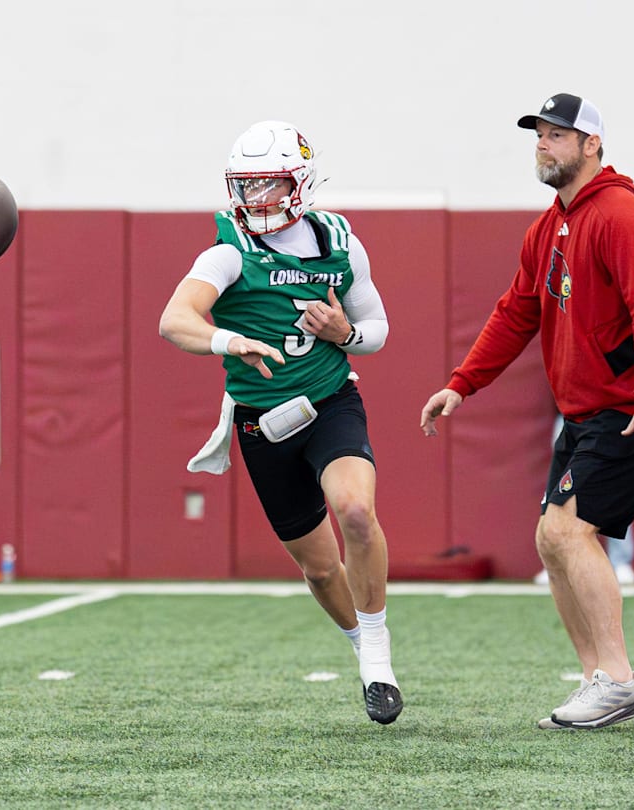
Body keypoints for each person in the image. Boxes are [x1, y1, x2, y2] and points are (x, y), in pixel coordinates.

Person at [419, 93, 634, 731]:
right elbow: (518, 311)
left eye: (558, 135)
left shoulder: (620, 215)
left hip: (631, 408)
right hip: (587, 411)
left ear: (592, 145)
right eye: (539, 134)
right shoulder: (550, 225)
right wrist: (463, 383)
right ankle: (599, 678)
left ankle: (619, 679)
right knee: (551, 538)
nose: (543, 144)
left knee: (570, 533)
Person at [159, 120, 402, 725]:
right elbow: (174, 319)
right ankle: (355, 641)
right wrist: (226, 339)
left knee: (355, 510)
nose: (252, 200)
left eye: (266, 185)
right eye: (245, 186)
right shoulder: (227, 250)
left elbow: (376, 331)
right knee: (319, 565)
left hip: (329, 402)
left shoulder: (342, 241)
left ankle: (377, 653)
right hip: (261, 422)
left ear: (299, 183)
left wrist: (344, 334)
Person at [534, 417, 634, 586]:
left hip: (607, 415)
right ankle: (556, 561)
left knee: (612, 488)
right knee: (560, 488)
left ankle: (620, 561)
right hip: (570, 415)